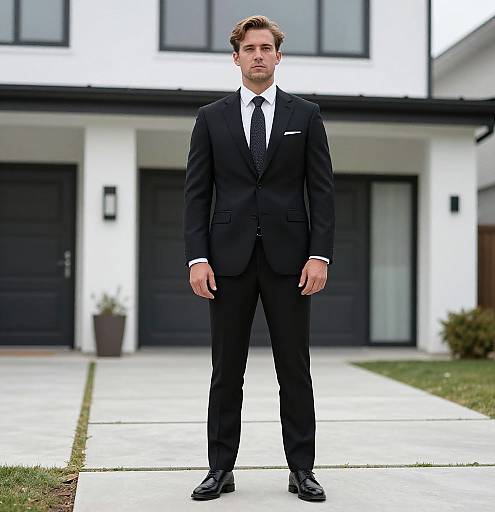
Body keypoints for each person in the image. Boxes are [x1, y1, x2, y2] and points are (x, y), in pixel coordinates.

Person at [183, 14, 335, 502]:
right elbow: (196, 195)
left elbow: (322, 192)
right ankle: (220, 469)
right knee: (227, 370)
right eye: (249, 48)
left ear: (278, 56)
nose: (258, 55)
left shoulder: (305, 115)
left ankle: (302, 470)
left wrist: (320, 255)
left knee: (295, 368)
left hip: (291, 263)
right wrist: (196, 258)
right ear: (236, 57)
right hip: (226, 264)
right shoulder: (211, 118)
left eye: (266, 48)